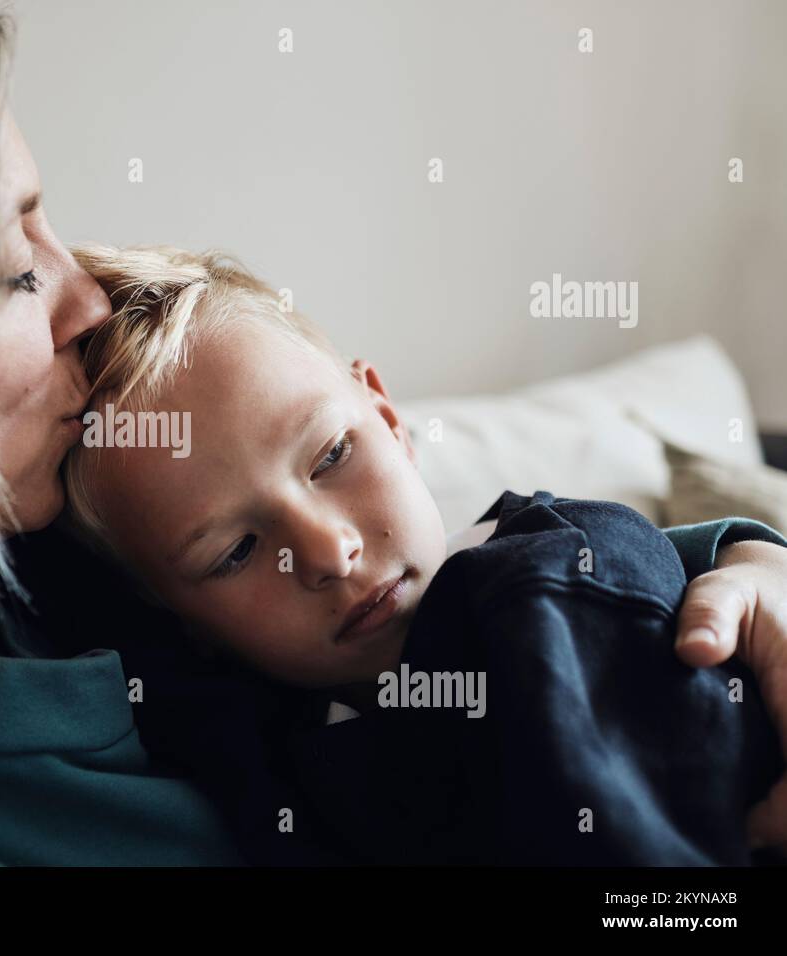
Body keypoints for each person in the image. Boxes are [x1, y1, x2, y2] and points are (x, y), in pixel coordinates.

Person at [0, 1, 785, 866]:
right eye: (7, 268)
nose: (86, 299)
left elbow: (511, 590)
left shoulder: (43, 567)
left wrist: (745, 562)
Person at [60, 245, 787, 863]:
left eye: (333, 454)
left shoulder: (546, 588)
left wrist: (751, 548)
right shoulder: (264, 733)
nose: (329, 552)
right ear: (179, 619)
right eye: (236, 551)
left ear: (387, 415)